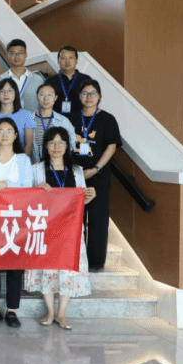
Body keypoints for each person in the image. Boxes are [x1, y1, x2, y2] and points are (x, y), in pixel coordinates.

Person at [25, 127, 95, 330]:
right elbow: (26, 199)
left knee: (67, 269)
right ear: (45, 146)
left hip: (70, 229)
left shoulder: (76, 171)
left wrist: (89, 197)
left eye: (61, 142)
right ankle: (50, 311)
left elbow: (81, 200)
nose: (56, 147)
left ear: (67, 146)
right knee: (46, 267)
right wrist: (37, 191)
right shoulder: (36, 169)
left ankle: (62, 314)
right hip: (45, 228)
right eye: (52, 142)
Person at [0, 117, 33, 328]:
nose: (4, 134)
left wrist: (7, 184)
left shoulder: (23, 160)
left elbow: (28, 186)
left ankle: (12, 310)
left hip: (15, 218)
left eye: (8, 130)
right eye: (0, 131)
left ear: (16, 135)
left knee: (15, 264)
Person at [70, 80, 120, 272]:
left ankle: (96, 262)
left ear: (99, 97)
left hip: (98, 175)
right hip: (75, 175)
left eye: (93, 93)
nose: (89, 97)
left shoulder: (107, 119)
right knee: (75, 217)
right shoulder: (72, 118)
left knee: (98, 219)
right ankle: (76, 257)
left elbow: (111, 146)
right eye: (85, 93)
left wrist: (96, 168)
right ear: (79, 96)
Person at [0, 39, 46, 111]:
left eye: (20, 53)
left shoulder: (37, 80)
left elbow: (44, 105)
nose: (17, 56)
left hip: (32, 118)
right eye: (12, 53)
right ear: (7, 56)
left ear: (26, 55)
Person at [0, 79, 36, 157]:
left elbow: (29, 144)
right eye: (2, 91)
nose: (6, 94)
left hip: (19, 158)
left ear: (15, 94)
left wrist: (23, 161)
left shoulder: (26, 115)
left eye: (10, 91)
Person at [31, 82, 74, 163]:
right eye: (42, 95)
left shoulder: (63, 121)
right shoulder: (29, 119)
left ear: (55, 97)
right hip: (34, 165)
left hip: (56, 165)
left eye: (50, 95)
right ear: (37, 97)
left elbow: (72, 144)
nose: (46, 98)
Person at [44, 45, 92, 116]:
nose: (67, 61)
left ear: (76, 61)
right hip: (56, 121)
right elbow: (45, 105)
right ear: (58, 61)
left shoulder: (86, 80)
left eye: (71, 58)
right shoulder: (50, 82)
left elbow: (91, 103)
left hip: (81, 120)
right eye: (63, 58)